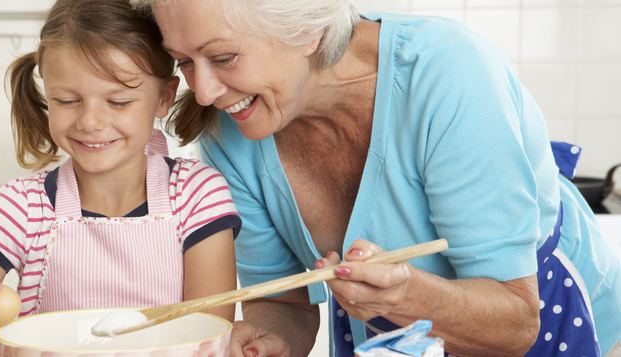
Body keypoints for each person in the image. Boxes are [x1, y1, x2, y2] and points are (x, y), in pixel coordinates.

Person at [128, 0, 621, 356]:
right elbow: (283, 302)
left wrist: (406, 298)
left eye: (224, 57)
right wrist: (271, 340)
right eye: (184, 61)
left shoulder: (447, 75)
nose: (206, 91)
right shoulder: (231, 131)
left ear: (307, 27)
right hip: (389, 336)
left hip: (542, 318)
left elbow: (515, 322)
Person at [0, 0, 242, 355]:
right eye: (66, 100)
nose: (90, 122)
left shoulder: (197, 195)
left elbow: (208, 340)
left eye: (119, 101)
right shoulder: (19, 208)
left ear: (164, 97)